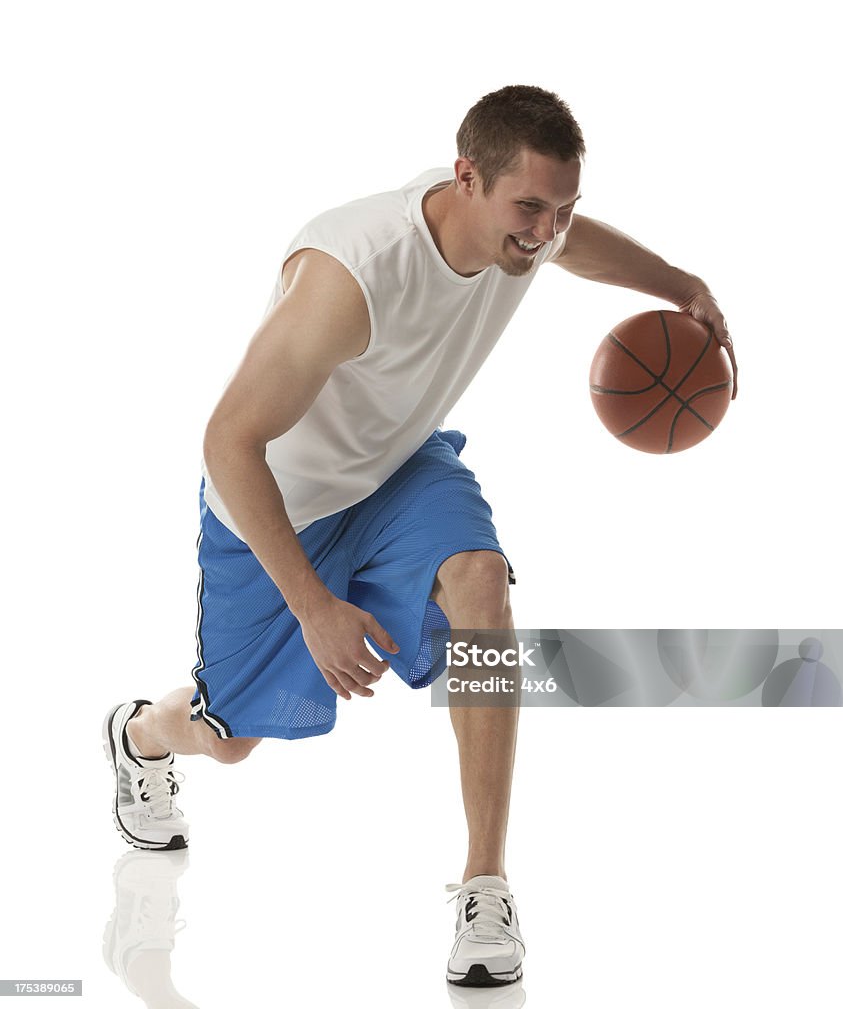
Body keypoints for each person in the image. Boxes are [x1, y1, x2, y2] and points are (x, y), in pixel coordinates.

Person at [103, 84, 737, 988]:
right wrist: (315, 607)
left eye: (562, 209)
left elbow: (573, 246)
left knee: (481, 579)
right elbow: (228, 442)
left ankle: (486, 887)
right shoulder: (353, 272)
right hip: (277, 506)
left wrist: (680, 287)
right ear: (465, 175)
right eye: (528, 209)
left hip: (397, 471)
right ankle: (143, 735)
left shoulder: (529, 228)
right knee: (229, 738)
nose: (544, 232)